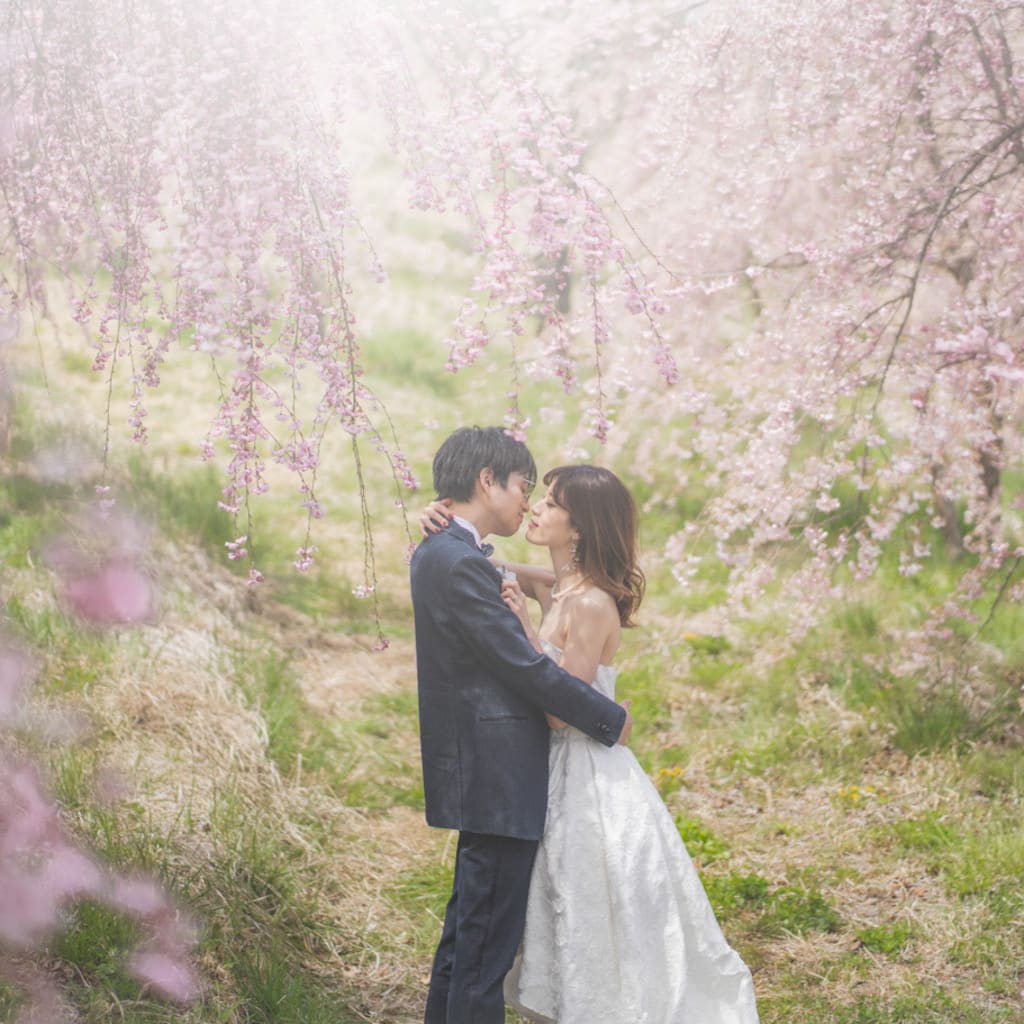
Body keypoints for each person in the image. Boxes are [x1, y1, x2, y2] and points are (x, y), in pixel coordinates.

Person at [423, 463, 760, 1024]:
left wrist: (528, 636)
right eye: (542, 499)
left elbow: (559, 715)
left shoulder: (588, 604)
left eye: (552, 505)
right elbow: (477, 558)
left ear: (578, 529)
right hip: (550, 771)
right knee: (561, 902)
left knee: (598, 902)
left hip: (585, 772)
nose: (537, 509)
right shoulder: (557, 586)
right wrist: (441, 516)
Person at [410, 428, 635, 1024]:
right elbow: (523, 666)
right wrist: (611, 718)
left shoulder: (458, 555)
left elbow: (504, 582)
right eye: (523, 488)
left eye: (545, 498)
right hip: (499, 777)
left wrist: (438, 517)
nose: (528, 503)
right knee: (481, 949)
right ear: (487, 481)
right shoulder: (456, 562)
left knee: (471, 940)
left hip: (505, 774)